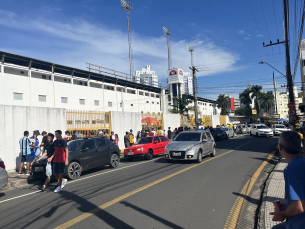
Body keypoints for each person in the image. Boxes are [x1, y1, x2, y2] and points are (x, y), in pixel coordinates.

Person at [270, 131, 305, 228]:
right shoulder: (302, 162)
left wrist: (282, 214)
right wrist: (287, 207)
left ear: (280, 147)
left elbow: (299, 207)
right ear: (300, 147)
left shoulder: (292, 169)